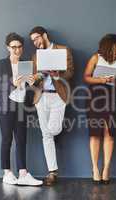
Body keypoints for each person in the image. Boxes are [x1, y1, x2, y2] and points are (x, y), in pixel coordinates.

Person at [0, 32, 43, 186]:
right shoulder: (1, 64)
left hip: (22, 106)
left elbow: (31, 87)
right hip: (5, 106)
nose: (17, 50)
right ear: (8, 48)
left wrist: (35, 80)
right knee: (7, 139)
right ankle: (7, 172)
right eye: (13, 47)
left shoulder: (26, 63)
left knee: (22, 140)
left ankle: (23, 173)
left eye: (19, 47)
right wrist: (13, 83)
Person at [29, 26, 74, 186]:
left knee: (52, 131)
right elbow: (34, 80)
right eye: (33, 40)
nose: (35, 42)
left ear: (45, 35)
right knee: (46, 136)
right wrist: (35, 78)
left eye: (37, 38)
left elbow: (70, 72)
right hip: (41, 97)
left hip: (58, 96)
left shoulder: (63, 50)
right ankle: (52, 172)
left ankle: (52, 170)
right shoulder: (35, 56)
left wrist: (57, 74)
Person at [83, 34, 116, 184]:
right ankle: (95, 168)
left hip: (112, 99)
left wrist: (115, 81)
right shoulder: (96, 58)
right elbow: (86, 77)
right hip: (94, 99)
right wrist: (102, 80)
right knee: (95, 134)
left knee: (109, 133)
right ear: (109, 48)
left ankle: (106, 168)